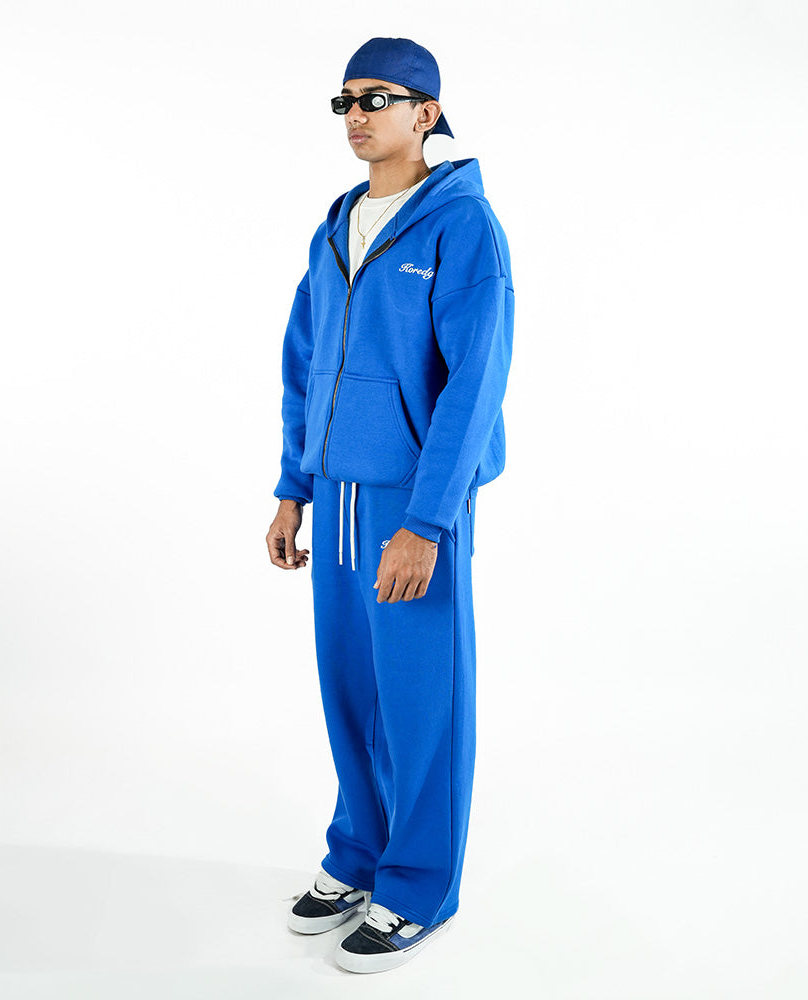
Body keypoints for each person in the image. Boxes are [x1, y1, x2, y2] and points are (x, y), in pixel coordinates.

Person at [265, 36, 514, 974]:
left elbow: (476, 383)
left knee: (420, 698)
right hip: (334, 495)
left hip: (413, 499)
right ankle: (359, 853)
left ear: (427, 113)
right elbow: (304, 363)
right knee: (351, 688)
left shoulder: (462, 226)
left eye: (378, 98)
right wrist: (293, 487)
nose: (357, 115)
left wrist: (426, 521)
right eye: (345, 101)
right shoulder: (337, 225)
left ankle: (418, 887)